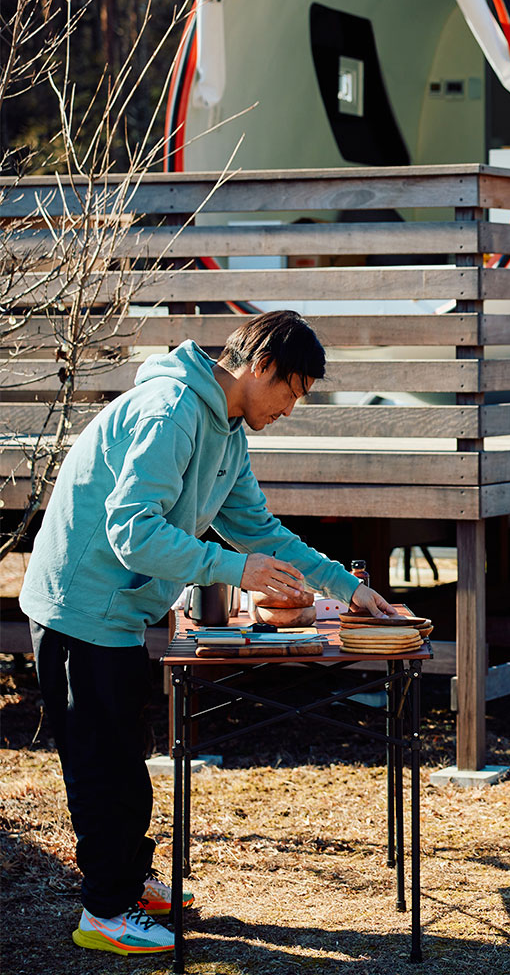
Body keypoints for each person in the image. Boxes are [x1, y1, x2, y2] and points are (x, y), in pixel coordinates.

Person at [21, 311, 399, 956]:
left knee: (125, 761)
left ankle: (128, 886)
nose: (291, 408)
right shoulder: (172, 411)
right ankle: (105, 916)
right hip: (78, 609)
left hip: (120, 610)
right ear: (262, 367)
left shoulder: (224, 428)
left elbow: (258, 527)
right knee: (102, 767)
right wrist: (235, 569)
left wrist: (348, 587)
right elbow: (131, 531)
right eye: (292, 390)